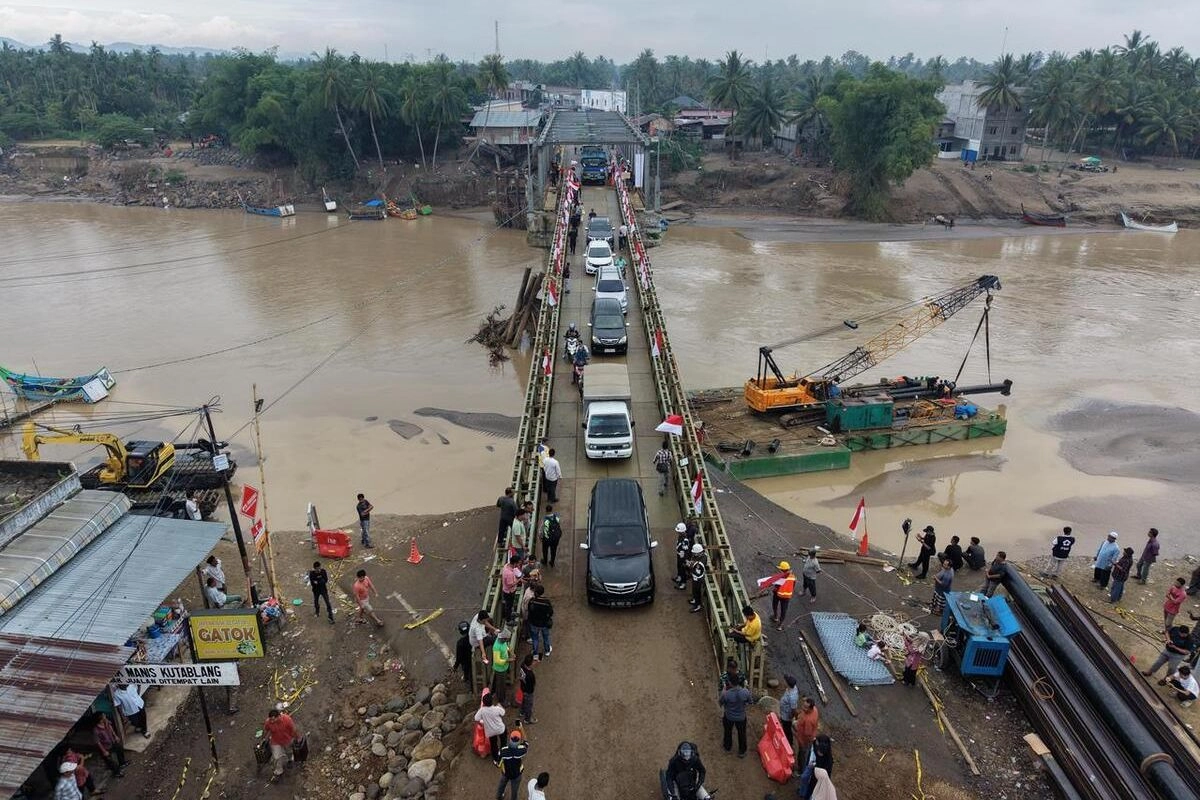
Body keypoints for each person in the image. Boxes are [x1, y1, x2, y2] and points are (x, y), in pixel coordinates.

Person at [719, 674, 752, 757]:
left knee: (727, 732)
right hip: (741, 717)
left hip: (729, 716)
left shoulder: (726, 694)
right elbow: (750, 702)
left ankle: (727, 747)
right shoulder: (745, 692)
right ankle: (742, 751)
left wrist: (723, 690)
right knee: (742, 734)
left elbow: (721, 703)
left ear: (729, 682)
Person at [262, 708, 298, 780]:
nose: (272, 721)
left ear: (278, 716)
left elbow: (293, 730)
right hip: (276, 742)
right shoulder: (268, 722)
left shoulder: (287, 719)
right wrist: (263, 739)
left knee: (289, 752)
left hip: (287, 740)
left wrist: (296, 738)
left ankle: (290, 759)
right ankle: (278, 772)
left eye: (273, 719)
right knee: (276, 757)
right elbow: (266, 730)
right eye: (270, 719)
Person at [496, 729, 529, 800]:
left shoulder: (503, 751)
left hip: (506, 773)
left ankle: (499, 797)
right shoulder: (522, 750)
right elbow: (526, 743)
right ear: (519, 741)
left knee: (501, 785)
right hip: (517, 775)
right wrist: (521, 728)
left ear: (510, 739)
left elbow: (498, 764)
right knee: (514, 792)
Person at [91, 712, 127, 778]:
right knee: (110, 762)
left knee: (120, 748)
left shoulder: (106, 722)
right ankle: (116, 772)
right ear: (100, 720)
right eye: (104, 716)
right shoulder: (96, 730)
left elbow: (111, 729)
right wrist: (104, 751)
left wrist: (115, 736)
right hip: (105, 747)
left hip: (112, 742)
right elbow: (98, 742)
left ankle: (122, 763)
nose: (105, 716)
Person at [475, 692, 507, 764]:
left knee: (494, 745)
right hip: (500, 729)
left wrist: (482, 722)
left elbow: (476, 718)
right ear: (492, 701)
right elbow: (503, 713)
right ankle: (503, 754)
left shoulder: (482, 710)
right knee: (503, 741)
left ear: (484, 703)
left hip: (490, 732)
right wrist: (500, 706)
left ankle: (496, 759)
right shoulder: (496, 708)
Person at [527, 584, 553, 660]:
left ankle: (535, 653)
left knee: (535, 638)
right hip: (544, 623)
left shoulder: (532, 601)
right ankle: (547, 651)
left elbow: (529, 611)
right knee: (546, 637)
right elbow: (551, 612)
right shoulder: (546, 602)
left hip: (534, 623)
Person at [794, 695, 819, 775]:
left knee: (802, 755)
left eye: (805, 707)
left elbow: (807, 734)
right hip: (809, 736)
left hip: (804, 741)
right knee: (805, 753)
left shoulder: (808, 720)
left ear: (810, 708)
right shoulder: (814, 709)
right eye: (803, 705)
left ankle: (800, 771)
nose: (803, 708)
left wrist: (801, 741)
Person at [770, 561, 797, 630]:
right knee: (783, 610)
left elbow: (776, 586)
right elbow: (793, 586)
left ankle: (775, 617)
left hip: (778, 594)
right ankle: (780, 625)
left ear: (782, 570)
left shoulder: (780, 577)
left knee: (775, 605)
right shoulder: (793, 577)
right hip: (787, 597)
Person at [491, 629, 512, 704]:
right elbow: (497, 660)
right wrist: (507, 660)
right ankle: (501, 700)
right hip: (500, 669)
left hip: (504, 667)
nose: (507, 641)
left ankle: (498, 695)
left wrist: (510, 652)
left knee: (501, 683)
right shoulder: (496, 647)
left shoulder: (503, 642)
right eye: (506, 639)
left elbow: (506, 646)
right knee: (501, 685)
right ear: (503, 638)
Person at [778, 675, 799, 747]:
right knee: (785, 726)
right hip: (784, 711)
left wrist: (793, 717)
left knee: (787, 729)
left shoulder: (792, 697)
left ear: (788, 684)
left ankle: (789, 743)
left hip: (786, 716)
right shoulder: (792, 688)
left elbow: (793, 709)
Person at [501, 555, 523, 621]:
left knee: (509, 604)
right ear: (515, 563)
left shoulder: (507, 565)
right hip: (509, 592)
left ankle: (510, 613)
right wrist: (519, 580)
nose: (519, 564)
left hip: (507, 590)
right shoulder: (509, 573)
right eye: (518, 563)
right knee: (509, 605)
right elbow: (511, 585)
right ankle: (508, 619)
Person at [518, 653, 537, 723]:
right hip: (528, 691)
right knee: (529, 705)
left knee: (524, 700)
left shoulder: (522, 665)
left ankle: (522, 712)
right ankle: (527, 719)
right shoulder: (530, 675)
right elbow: (533, 684)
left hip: (523, 687)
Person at [687, 543, 707, 613]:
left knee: (697, 592)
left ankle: (697, 606)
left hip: (698, 579)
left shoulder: (699, 563)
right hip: (695, 578)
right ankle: (694, 600)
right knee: (694, 590)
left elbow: (698, 573)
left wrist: (690, 566)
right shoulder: (702, 556)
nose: (694, 554)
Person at [673, 523, 692, 590]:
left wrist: (685, 560)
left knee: (683, 570)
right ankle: (679, 578)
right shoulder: (680, 537)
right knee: (679, 567)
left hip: (683, 557)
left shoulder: (685, 540)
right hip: (679, 555)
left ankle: (683, 584)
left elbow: (686, 551)